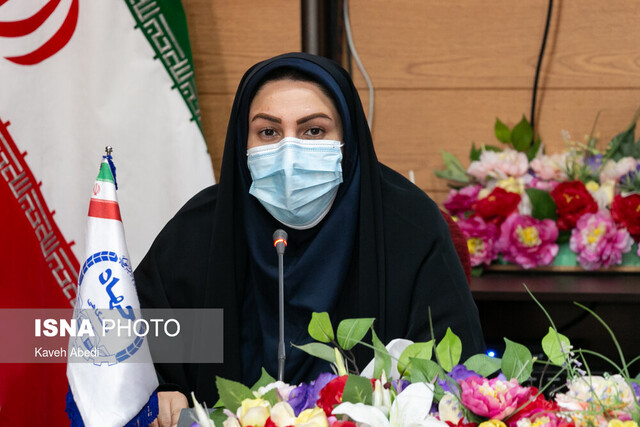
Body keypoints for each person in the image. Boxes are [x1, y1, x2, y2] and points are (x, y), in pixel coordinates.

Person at [135, 52, 485, 426]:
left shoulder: (407, 228)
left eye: (314, 131)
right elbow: (122, 356)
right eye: (268, 132)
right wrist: (158, 391)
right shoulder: (203, 233)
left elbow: (454, 383)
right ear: (242, 141)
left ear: (348, 139)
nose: (289, 152)